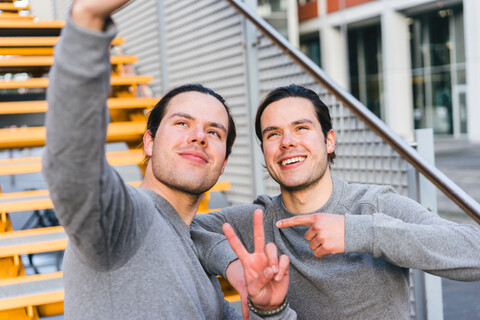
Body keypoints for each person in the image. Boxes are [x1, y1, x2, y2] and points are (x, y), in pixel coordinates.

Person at [42, 0, 296, 319]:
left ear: (224, 161)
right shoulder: (121, 220)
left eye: (214, 132)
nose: (199, 136)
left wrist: (270, 309)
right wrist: (87, 21)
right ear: (149, 142)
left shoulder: (204, 273)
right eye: (181, 123)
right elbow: (72, 162)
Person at [192, 84, 480, 320]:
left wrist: (361, 232)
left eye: (301, 128)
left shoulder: (374, 206)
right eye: (273, 134)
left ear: (329, 141)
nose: (287, 142)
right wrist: (233, 266)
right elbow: (183, 227)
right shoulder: (256, 222)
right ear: (265, 151)